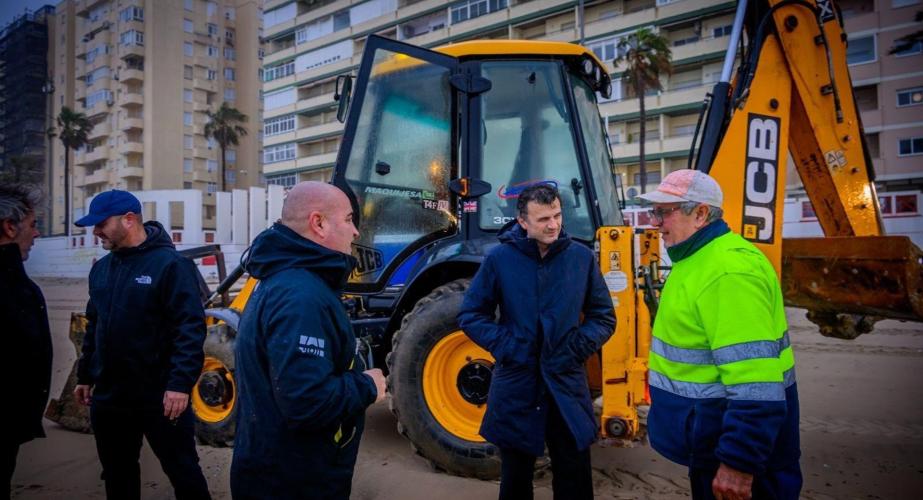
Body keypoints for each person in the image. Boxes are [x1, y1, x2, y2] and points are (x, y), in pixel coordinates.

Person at [638, 169, 801, 500]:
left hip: (739, 464)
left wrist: (739, 463)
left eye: (664, 212)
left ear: (700, 214)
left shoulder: (727, 273)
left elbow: (756, 383)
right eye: (655, 212)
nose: (656, 222)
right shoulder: (696, 259)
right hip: (711, 443)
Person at [458, 183, 616, 500]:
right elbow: (471, 315)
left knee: (575, 479)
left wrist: (574, 349)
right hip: (517, 383)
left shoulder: (581, 259)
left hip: (566, 384)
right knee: (515, 480)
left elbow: (604, 317)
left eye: (557, 215)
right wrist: (510, 346)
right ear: (523, 222)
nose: (554, 224)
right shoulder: (500, 260)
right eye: (543, 219)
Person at [230, 181, 387, 500]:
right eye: (348, 219)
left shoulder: (286, 281)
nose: (355, 232)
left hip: (278, 473)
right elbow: (307, 403)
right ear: (318, 223)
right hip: (292, 484)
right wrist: (368, 385)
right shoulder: (300, 297)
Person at [72, 190, 211, 500]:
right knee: (117, 474)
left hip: (160, 396)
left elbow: (189, 329)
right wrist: (86, 375)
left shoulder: (172, 266)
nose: (95, 232)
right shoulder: (102, 269)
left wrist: (179, 384)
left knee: (183, 471)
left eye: (101, 224)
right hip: (110, 398)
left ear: (129, 219)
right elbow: (95, 324)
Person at [0, 184, 51, 500]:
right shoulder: (12, 288)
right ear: (9, 226)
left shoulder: (18, 284)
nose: (37, 234)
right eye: (32, 225)